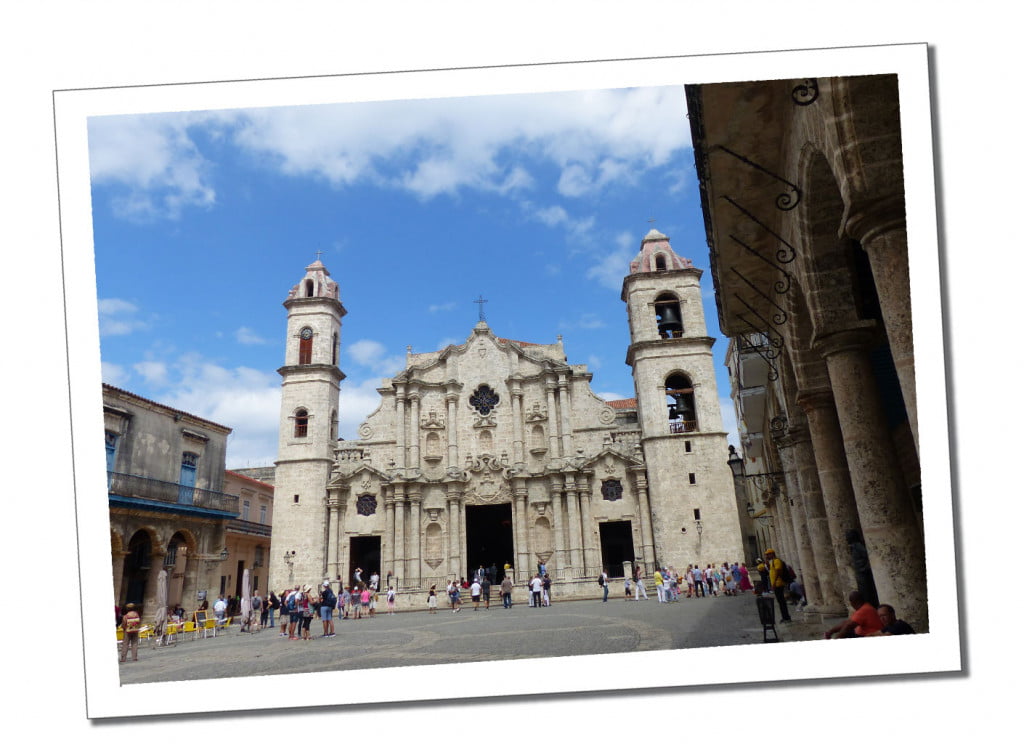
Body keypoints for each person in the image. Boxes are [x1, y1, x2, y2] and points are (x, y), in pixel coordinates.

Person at [765, 549, 792, 622]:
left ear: (772, 554)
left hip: (778, 584)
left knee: (781, 601)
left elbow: (778, 571)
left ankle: (786, 617)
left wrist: (774, 583)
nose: (766, 556)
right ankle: (785, 616)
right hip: (776, 584)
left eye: (768, 554)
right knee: (780, 601)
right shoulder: (772, 562)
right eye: (766, 555)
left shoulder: (776, 561)